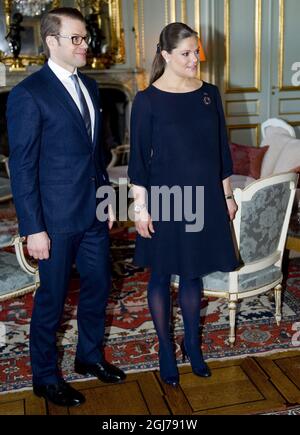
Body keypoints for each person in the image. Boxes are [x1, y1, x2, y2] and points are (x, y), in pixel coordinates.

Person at [6, 7, 125, 408]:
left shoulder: (91, 87)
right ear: (51, 41)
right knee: (52, 300)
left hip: (92, 212)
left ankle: (89, 356)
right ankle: (44, 377)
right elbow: (21, 167)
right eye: (75, 38)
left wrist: (106, 198)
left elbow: (97, 154)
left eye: (85, 38)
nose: (84, 45)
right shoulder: (28, 93)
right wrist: (32, 228)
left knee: (98, 286)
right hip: (53, 221)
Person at [128, 22, 239, 387]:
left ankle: (193, 344)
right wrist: (140, 208)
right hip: (165, 200)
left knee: (193, 273)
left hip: (205, 198)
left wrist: (226, 196)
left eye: (197, 52)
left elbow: (221, 151)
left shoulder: (209, 94)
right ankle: (165, 348)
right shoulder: (146, 101)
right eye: (186, 53)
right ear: (166, 56)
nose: (195, 59)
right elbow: (139, 162)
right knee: (160, 274)